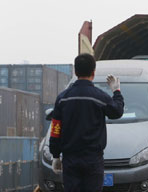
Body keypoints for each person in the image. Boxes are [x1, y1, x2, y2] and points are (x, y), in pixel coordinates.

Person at [49, 53, 124, 192]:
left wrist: (55, 155)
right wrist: (116, 91)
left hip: (70, 159)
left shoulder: (63, 98)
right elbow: (117, 112)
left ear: (75, 72)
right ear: (93, 72)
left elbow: (56, 129)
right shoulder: (100, 97)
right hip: (93, 159)